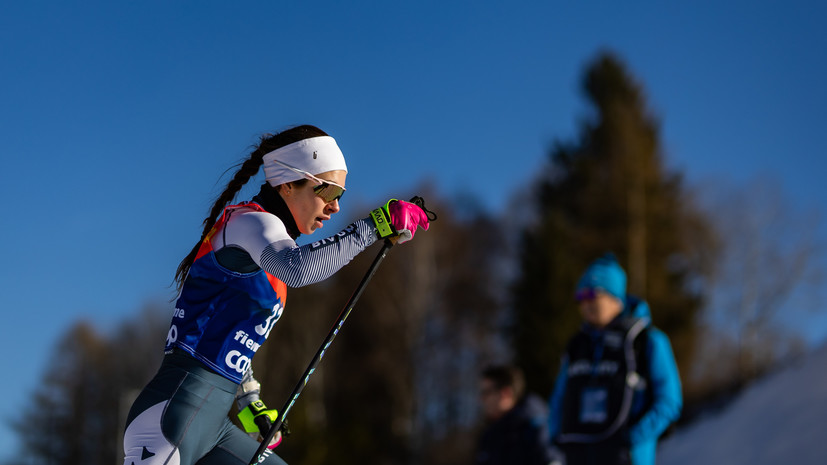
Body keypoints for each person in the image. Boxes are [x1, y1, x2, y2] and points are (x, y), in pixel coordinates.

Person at [121, 125, 430, 465]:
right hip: (172, 417)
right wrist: (372, 227)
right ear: (286, 184)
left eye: (341, 195)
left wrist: (248, 399)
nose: (335, 207)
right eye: (327, 192)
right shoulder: (250, 224)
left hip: (212, 425)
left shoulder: (263, 244)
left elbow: (229, 331)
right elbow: (298, 269)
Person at [547, 254, 682, 465]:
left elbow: (669, 401)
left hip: (625, 457)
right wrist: (556, 438)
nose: (585, 303)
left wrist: (632, 439)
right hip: (577, 456)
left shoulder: (647, 341)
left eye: (592, 294)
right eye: (580, 297)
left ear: (614, 297)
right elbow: (559, 396)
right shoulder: (577, 345)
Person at [474, 364, 557, 465]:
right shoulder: (490, 436)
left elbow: (551, 459)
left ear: (505, 394)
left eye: (486, 392)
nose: (481, 399)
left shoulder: (536, 428)